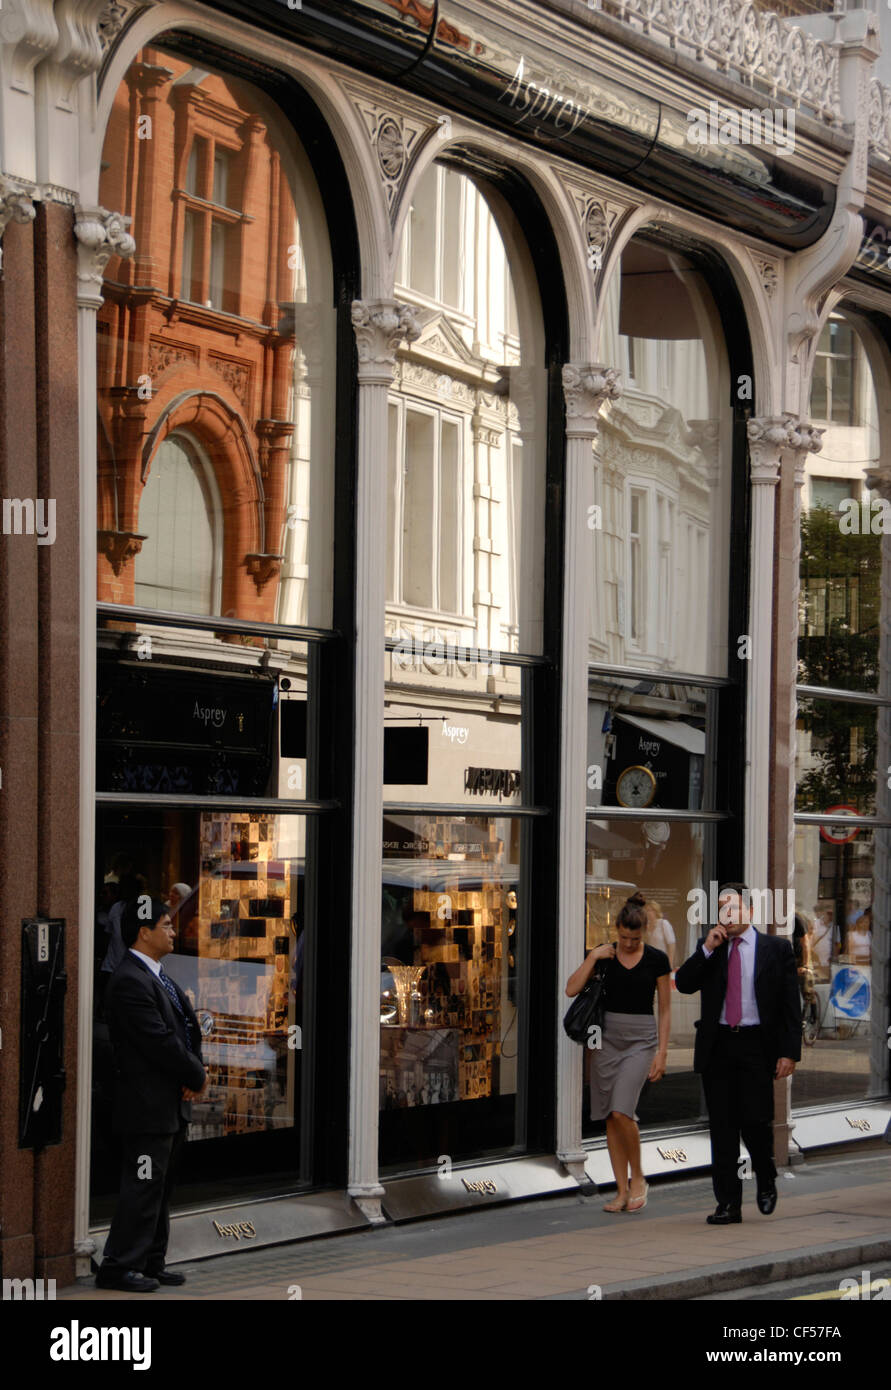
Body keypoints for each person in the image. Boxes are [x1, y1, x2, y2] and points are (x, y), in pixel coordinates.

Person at [95, 897, 207, 1292]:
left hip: (168, 1106)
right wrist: (196, 1074)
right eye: (166, 924)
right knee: (143, 1186)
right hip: (145, 1107)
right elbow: (159, 1040)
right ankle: (118, 1265)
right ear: (144, 932)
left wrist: (192, 1074)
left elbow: (186, 1031)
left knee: (160, 1187)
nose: (174, 930)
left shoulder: (157, 975)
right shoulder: (129, 981)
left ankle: (150, 1260)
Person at [674, 882, 801, 1225]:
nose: (726, 915)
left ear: (750, 911)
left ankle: (766, 1175)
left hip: (757, 1045)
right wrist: (706, 949)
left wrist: (789, 1052)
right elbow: (683, 983)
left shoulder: (776, 949)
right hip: (719, 1047)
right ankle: (728, 1204)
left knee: (755, 1122)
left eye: (733, 907)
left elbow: (791, 1004)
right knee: (723, 1128)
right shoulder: (712, 948)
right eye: (721, 908)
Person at [566, 891, 670, 1213]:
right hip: (603, 1038)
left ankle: (638, 1177)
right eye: (623, 937)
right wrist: (593, 956)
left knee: (623, 1110)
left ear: (645, 932)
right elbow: (571, 989)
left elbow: (665, 1010)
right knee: (609, 1115)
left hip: (641, 1039)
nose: (627, 943)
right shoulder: (605, 957)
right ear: (616, 930)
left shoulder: (657, 960)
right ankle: (620, 1190)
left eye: (634, 938)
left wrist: (662, 1053)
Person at [645, 900, 676, 969]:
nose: (649, 913)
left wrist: (670, 964)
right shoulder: (646, 926)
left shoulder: (663, 923)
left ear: (656, 911)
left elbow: (672, 944)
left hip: (663, 962)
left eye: (651, 910)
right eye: (647, 910)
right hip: (650, 963)